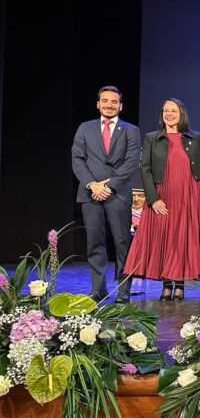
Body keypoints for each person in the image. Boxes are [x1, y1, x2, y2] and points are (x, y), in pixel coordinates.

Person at [124, 98, 200, 301]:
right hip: (162, 195)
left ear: (181, 114)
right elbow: (144, 169)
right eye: (165, 111)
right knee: (166, 237)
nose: (169, 114)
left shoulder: (195, 138)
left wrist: (195, 189)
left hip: (188, 196)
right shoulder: (151, 138)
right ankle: (166, 284)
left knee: (182, 238)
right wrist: (153, 199)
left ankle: (179, 285)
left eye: (173, 110)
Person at [71, 86, 140, 303]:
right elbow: (77, 159)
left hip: (117, 194)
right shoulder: (85, 128)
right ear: (98, 104)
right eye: (105, 101)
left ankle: (123, 291)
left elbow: (131, 162)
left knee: (122, 243)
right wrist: (93, 184)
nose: (109, 105)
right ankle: (97, 290)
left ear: (121, 105)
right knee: (94, 243)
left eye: (114, 101)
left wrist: (109, 186)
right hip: (90, 194)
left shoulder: (130, 130)